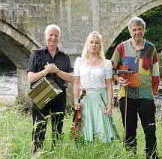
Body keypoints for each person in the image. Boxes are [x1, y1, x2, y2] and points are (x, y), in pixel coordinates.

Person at [111, 16, 160, 159]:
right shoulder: (121, 47)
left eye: (140, 29)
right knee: (129, 129)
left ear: (144, 30)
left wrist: (154, 90)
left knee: (150, 129)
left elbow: (156, 71)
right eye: (134, 29)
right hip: (126, 95)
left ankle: (152, 158)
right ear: (129, 31)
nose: (137, 32)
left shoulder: (150, 48)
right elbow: (111, 69)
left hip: (146, 95)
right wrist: (117, 79)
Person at [28, 24, 73, 152]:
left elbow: (72, 78)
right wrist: (45, 72)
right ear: (45, 36)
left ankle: (56, 156)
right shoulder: (36, 54)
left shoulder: (65, 56)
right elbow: (30, 78)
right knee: (39, 128)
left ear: (59, 37)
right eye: (50, 35)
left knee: (57, 129)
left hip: (59, 96)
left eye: (56, 35)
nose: (53, 38)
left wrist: (56, 70)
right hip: (41, 93)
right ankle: (36, 156)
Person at [73, 31, 119, 142]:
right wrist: (75, 100)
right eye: (91, 42)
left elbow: (109, 85)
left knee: (103, 135)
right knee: (83, 135)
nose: (94, 45)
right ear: (87, 44)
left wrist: (109, 104)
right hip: (85, 100)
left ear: (100, 46)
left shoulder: (107, 63)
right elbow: (76, 82)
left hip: (100, 100)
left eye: (97, 43)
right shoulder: (79, 62)